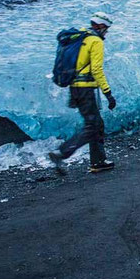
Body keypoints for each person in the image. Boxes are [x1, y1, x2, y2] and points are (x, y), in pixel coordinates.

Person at [49, 12, 117, 173]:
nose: (106, 32)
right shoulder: (95, 41)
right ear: (100, 26)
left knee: (96, 124)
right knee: (92, 125)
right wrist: (108, 93)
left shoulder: (81, 38)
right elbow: (97, 69)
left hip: (75, 88)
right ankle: (62, 153)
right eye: (106, 29)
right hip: (85, 88)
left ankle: (98, 161)